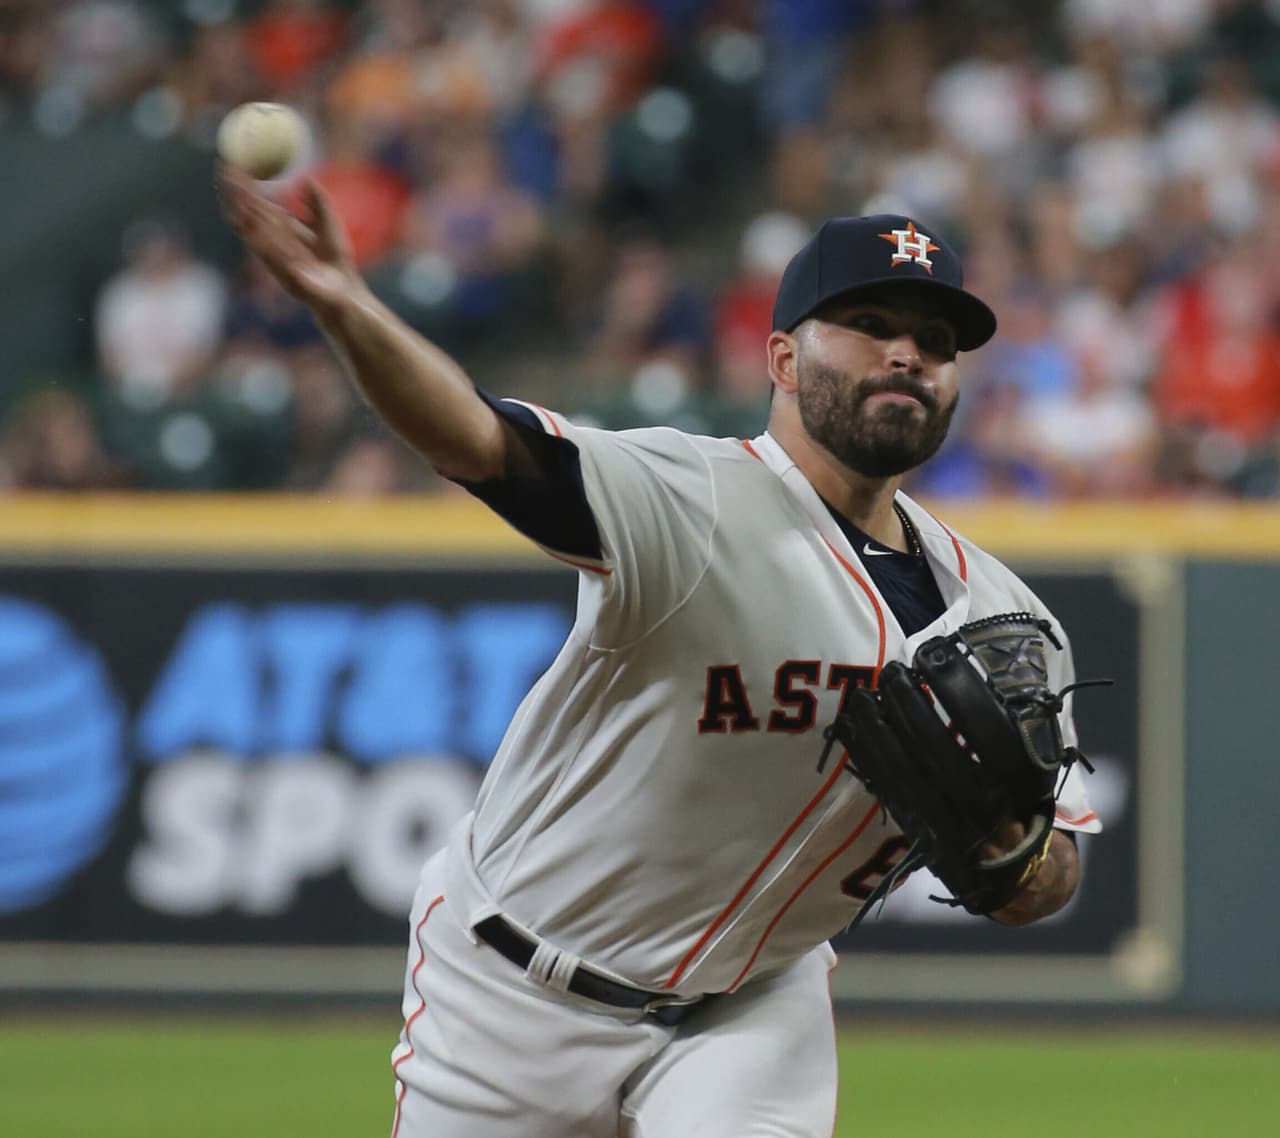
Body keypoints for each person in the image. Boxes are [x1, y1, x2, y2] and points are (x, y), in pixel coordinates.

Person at [221, 167, 1102, 1138]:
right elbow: (480, 441)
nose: (905, 354)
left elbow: (1053, 866)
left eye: (933, 342)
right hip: (513, 987)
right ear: (780, 358)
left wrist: (1010, 850)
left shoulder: (1004, 619)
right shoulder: (689, 501)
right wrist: (347, 310)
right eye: (869, 323)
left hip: (754, 1007)